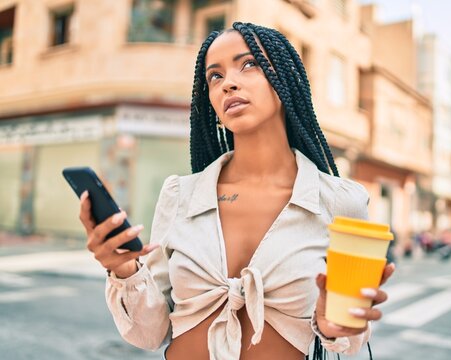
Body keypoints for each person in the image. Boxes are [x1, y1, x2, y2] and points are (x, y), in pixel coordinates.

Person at [79, 22, 395, 360]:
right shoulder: (178, 195)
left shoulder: (342, 200)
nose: (229, 82)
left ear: (285, 82)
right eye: (215, 76)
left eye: (249, 64)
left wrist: (336, 327)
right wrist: (123, 270)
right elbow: (151, 334)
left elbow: (353, 341)